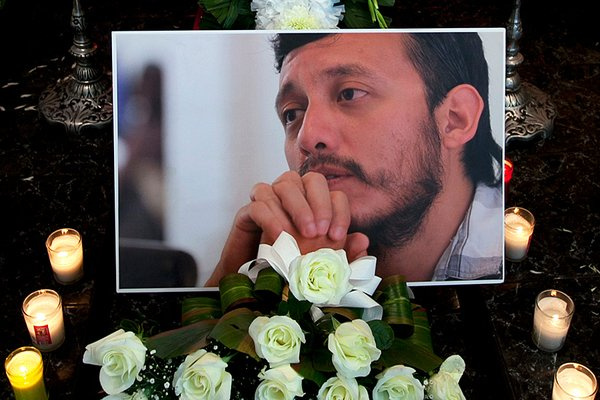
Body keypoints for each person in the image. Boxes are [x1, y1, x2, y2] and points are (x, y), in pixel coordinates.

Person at [206, 31, 503, 286]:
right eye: (292, 113)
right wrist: (232, 295)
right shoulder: (269, 259)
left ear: (455, 118)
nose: (308, 137)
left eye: (349, 93)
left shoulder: (515, 268)